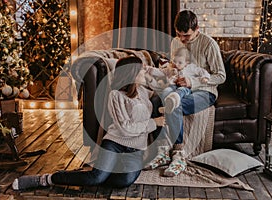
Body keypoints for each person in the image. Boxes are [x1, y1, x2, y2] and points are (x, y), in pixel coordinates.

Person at [12, 56, 166, 190]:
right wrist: (154, 122)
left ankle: (100, 171)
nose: (144, 72)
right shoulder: (115, 95)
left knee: (123, 181)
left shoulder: (145, 92)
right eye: (141, 70)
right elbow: (125, 128)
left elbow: (166, 81)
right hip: (115, 143)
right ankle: (46, 179)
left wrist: (150, 71)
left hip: (135, 149)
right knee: (96, 178)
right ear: (131, 73)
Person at [145, 10, 226, 177]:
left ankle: (178, 154)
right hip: (177, 88)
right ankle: (162, 152)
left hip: (204, 91)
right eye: (179, 34)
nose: (182, 39)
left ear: (197, 28)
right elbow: (175, 65)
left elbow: (221, 76)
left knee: (175, 105)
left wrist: (193, 82)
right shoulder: (175, 42)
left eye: (186, 36)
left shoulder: (209, 44)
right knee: (155, 101)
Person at [144, 47, 210, 114]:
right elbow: (159, 71)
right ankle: (167, 107)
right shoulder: (170, 69)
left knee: (181, 90)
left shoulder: (190, 68)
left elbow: (202, 71)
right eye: (174, 61)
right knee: (166, 91)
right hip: (171, 87)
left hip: (185, 88)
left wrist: (205, 77)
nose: (176, 64)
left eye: (180, 62)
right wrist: (148, 69)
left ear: (186, 62)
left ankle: (173, 100)